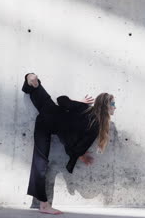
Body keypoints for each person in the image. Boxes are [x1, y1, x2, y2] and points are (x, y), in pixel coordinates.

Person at [21, 72, 116, 215]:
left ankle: (32, 81)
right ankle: (44, 205)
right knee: (40, 163)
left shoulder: (85, 108)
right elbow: (76, 147)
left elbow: (61, 100)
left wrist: (80, 103)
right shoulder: (95, 126)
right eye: (113, 104)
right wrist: (81, 156)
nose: (115, 107)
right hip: (47, 125)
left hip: (50, 110)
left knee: (44, 100)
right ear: (105, 107)